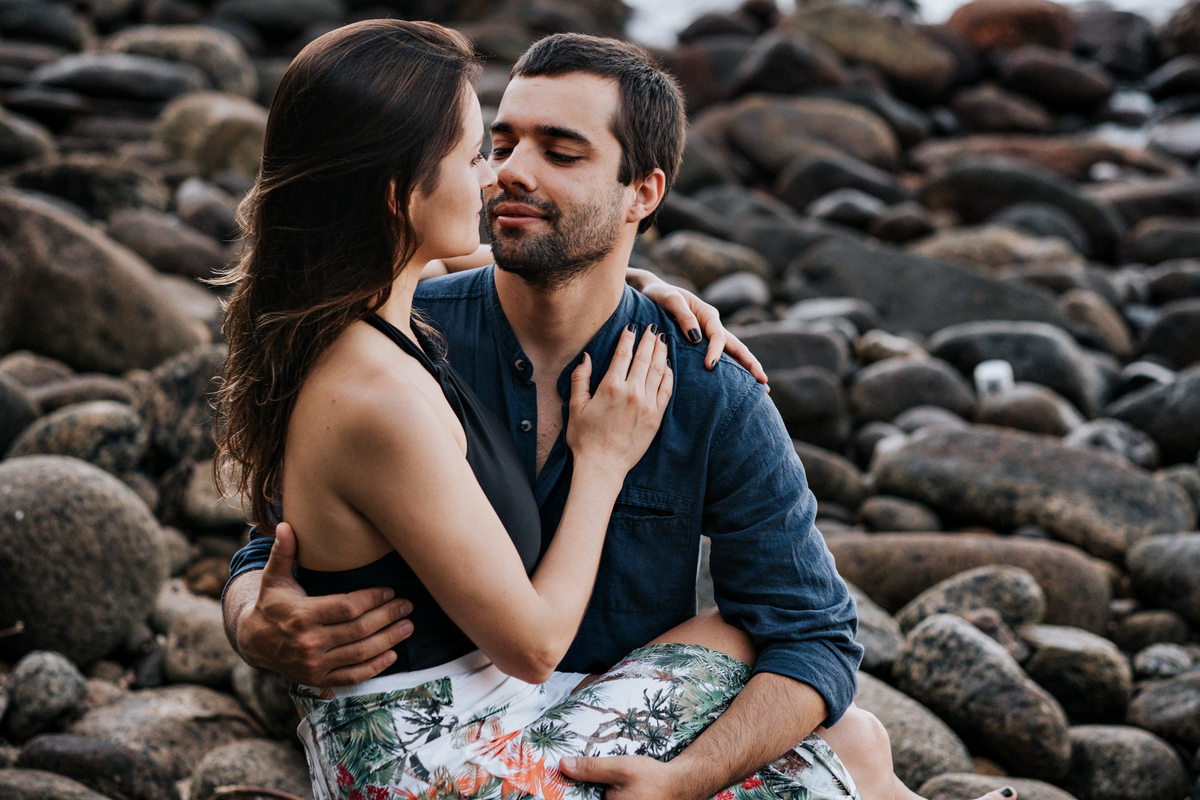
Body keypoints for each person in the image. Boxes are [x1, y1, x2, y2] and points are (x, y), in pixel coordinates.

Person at [221, 24, 1016, 800]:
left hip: (585, 716)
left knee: (845, 729)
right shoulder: (413, 334)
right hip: (461, 738)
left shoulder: (702, 383)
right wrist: (250, 611)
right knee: (852, 750)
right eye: (495, 147)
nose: (507, 175)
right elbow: (290, 531)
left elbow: (811, 634)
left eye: (561, 153)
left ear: (643, 193)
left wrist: (682, 782)